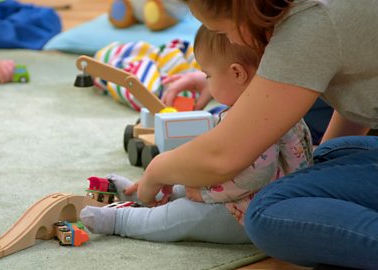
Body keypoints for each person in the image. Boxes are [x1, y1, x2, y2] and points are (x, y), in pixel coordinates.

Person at [135, 0, 378, 269]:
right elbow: (357, 98)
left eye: (224, 33)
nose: (229, 41)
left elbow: (222, 156)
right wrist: (316, 178)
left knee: (264, 212)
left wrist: (157, 170)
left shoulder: (311, 22)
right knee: (327, 155)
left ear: (242, 11)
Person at [79, 26, 313, 244]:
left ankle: (122, 221)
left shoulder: (259, 120)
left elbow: (255, 176)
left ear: (237, 73)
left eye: (208, 75)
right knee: (182, 185)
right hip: (241, 193)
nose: (206, 83)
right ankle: (139, 195)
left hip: (249, 210)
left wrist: (205, 193)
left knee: (178, 216)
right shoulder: (277, 103)